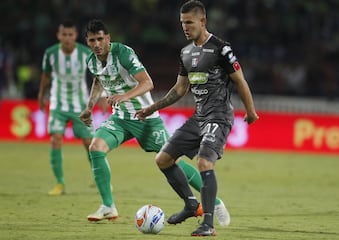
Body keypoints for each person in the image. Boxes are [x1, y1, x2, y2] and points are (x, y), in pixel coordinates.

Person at [80, 19, 230, 226]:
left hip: (145, 119)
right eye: (91, 40)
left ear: (107, 38)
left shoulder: (123, 53)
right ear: (87, 42)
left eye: (99, 39)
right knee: (96, 148)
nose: (96, 44)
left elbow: (147, 83)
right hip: (120, 119)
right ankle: (108, 206)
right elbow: (99, 79)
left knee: (172, 162)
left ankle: (215, 201)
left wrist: (125, 96)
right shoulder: (92, 61)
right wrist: (90, 106)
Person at [135, 0, 259, 236]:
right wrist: (151, 108)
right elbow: (179, 90)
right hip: (198, 118)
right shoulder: (186, 52)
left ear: (203, 21)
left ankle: (208, 225)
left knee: (204, 162)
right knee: (162, 159)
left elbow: (239, 80)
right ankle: (192, 204)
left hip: (219, 117)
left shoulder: (221, 49)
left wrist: (250, 111)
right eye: (182, 23)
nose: (185, 27)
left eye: (189, 22)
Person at [38, 19, 106, 196]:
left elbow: (98, 76)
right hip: (57, 104)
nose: (67, 38)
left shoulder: (85, 53)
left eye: (70, 34)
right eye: (64, 34)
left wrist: (103, 97)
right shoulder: (50, 53)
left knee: (89, 144)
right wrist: (40, 95)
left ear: (75, 36)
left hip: (81, 105)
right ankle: (59, 183)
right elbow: (45, 76)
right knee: (55, 140)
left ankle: (101, 179)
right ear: (58, 35)